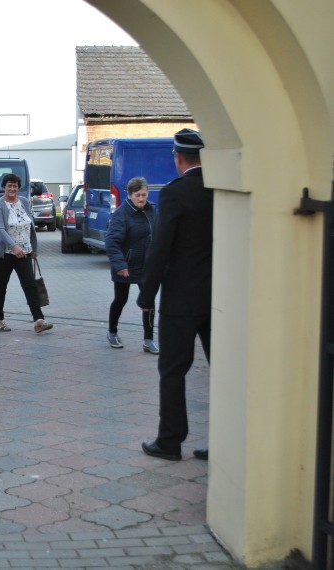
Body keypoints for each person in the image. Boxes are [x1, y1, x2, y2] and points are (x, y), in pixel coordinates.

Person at [138, 128, 213, 461]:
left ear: (178, 158)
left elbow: (160, 247)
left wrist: (146, 294)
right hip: (219, 298)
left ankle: (170, 441)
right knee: (224, 371)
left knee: (172, 371)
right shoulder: (220, 189)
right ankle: (225, 440)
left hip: (181, 300)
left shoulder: (174, 194)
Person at [0, 173, 54, 334]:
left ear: (19, 187)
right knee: (0, 287)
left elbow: (30, 226)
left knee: (30, 286)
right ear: (4, 187)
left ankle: (39, 320)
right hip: (4, 254)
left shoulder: (24, 202)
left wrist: (33, 248)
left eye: (15, 186)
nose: (12, 189)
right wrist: (14, 246)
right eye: (9, 186)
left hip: (24, 253)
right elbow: (0, 229)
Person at [105, 176, 159, 353]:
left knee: (148, 301)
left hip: (147, 266)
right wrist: (120, 265)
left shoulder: (151, 211)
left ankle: (149, 340)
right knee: (121, 300)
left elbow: (158, 235)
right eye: (138, 195)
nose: (142, 199)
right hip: (126, 266)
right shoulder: (122, 214)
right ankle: (112, 332)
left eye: (144, 195)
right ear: (129, 195)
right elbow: (112, 241)